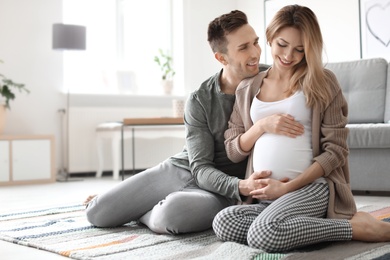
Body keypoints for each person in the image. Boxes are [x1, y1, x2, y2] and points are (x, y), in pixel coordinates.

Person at [212, 4, 390, 253]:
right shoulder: (248, 88)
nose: (288, 56)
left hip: (312, 188)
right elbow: (233, 149)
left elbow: (335, 151)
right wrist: (262, 125)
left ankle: (354, 228)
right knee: (223, 222)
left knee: (264, 235)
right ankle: (298, 225)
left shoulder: (322, 82)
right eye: (282, 44)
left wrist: (286, 187)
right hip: (267, 196)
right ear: (270, 38)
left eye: (300, 49)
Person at [84, 10, 268, 235]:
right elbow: (200, 168)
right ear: (221, 58)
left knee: (171, 216)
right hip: (184, 169)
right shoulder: (201, 98)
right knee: (97, 213)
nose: (255, 53)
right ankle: (143, 204)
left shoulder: (272, 80)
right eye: (243, 47)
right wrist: (242, 186)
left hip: (222, 191)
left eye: (255, 42)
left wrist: (239, 187)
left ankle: (144, 211)